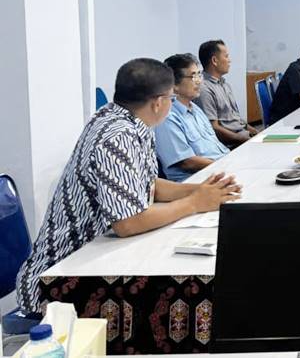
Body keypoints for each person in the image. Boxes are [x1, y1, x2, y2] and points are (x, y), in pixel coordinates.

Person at [16, 58, 241, 313]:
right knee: (189, 300)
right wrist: (193, 203)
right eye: (171, 98)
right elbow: (128, 223)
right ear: (158, 103)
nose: (172, 103)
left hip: (99, 258)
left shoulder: (131, 121)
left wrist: (200, 191)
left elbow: (146, 183)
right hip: (59, 279)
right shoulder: (116, 137)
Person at [155, 54, 231, 182]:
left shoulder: (196, 109)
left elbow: (215, 146)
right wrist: (226, 167)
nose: (199, 81)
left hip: (220, 170)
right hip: (198, 181)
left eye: (199, 75)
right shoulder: (167, 118)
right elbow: (187, 162)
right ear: (174, 85)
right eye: (193, 76)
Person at [196, 39, 257, 148]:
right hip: (232, 142)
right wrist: (242, 139)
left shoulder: (225, 84)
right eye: (226, 56)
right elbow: (213, 128)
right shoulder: (204, 89)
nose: (229, 60)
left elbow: (236, 118)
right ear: (214, 60)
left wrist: (256, 132)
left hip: (242, 134)